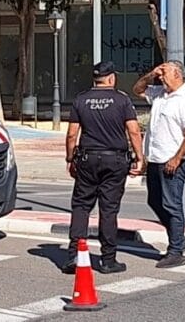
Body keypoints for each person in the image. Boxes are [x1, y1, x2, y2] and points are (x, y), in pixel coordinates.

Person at [62, 61, 145, 275]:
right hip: (115, 160)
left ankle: (74, 255)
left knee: (81, 206)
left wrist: (70, 159)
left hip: (87, 159)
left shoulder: (81, 99)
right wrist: (139, 157)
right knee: (108, 209)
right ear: (111, 78)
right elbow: (134, 131)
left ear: (95, 79)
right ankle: (108, 259)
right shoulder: (122, 100)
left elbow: (72, 134)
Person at [133, 60, 185, 269]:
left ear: (178, 75)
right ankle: (178, 236)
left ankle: (176, 251)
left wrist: (177, 158)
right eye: (160, 74)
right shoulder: (159, 93)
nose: (161, 78)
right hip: (156, 157)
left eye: (164, 74)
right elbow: (137, 90)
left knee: (172, 205)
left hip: (174, 160)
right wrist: (150, 74)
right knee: (155, 201)